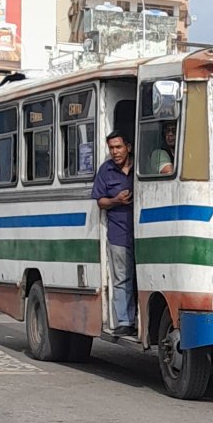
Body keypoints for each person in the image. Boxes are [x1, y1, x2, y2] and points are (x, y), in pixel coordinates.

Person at [91, 130, 136, 336]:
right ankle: (124, 322)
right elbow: (100, 201)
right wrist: (116, 200)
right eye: (111, 148)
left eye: (118, 147)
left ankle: (140, 319)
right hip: (118, 232)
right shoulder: (106, 170)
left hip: (144, 232)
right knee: (121, 279)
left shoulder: (140, 167)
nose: (115, 152)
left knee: (140, 278)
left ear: (128, 147)